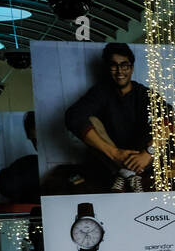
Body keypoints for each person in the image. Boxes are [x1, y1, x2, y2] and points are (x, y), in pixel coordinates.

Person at [64, 42, 159, 192]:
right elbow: (73, 117)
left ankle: (126, 172)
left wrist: (148, 152)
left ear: (132, 68)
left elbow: (170, 117)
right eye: (114, 65)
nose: (119, 71)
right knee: (90, 120)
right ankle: (126, 172)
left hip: (141, 157)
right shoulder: (101, 92)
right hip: (110, 156)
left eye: (124, 65)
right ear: (108, 68)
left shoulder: (143, 93)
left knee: (161, 122)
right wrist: (114, 154)